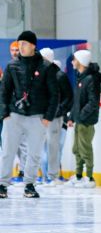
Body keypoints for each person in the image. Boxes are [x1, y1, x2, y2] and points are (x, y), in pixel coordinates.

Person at [0, 31, 58, 198]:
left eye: (24, 44)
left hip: (37, 117)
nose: (21, 47)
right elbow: (4, 92)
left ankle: (29, 185)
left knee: (34, 153)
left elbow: (54, 94)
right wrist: (5, 114)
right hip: (14, 116)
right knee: (8, 152)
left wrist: (47, 117)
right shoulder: (12, 66)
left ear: (33, 45)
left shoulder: (46, 67)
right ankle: (2, 184)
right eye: (19, 44)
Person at [67, 49, 101, 189]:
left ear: (81, 61)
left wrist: (81, 116)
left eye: (74, 59)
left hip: (86, 121)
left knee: (85, 148)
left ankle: (89, 177)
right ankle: (78, 175)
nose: (72, 62)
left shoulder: (91, 79)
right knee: (76, 148)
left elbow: (93, 102)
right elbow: (77, 101)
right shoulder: (81, 78)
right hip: (79, 120)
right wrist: (72, 117)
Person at [38, 49, 73, 186]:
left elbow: (69, 97)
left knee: (53, 146)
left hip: (54, 117)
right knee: (40, 147)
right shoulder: (39, 74)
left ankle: (52, 176)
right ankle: (43, 175)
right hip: (40, 116)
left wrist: (58, 111)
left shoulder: (59, 75)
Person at [6, 41, 27, 185]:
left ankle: (25, 172)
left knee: (24, 144)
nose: (14, 52)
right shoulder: (9, 67)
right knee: (12, 144)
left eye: (16, 50)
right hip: (11, 112)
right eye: (12, 50)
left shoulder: (25, 67)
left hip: (24, 111)